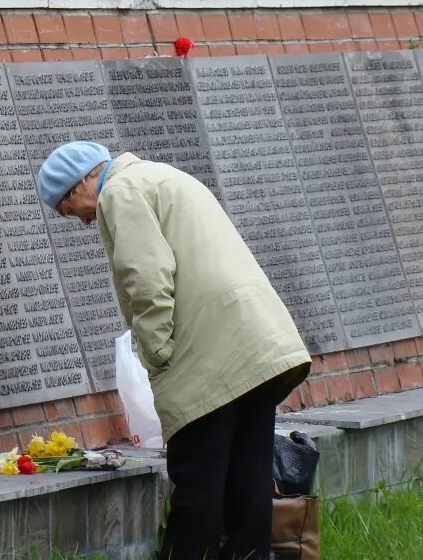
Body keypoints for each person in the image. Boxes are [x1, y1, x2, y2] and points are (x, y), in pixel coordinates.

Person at [36, 141, 312, 560]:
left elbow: (145, 276)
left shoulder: (120, 191)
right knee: (247, 477)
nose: (82, 221)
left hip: (212, 353)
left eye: (71, 210)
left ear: (80, 184)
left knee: (197, 481)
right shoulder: (160, 175)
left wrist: (158, 352)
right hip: (257, 342)